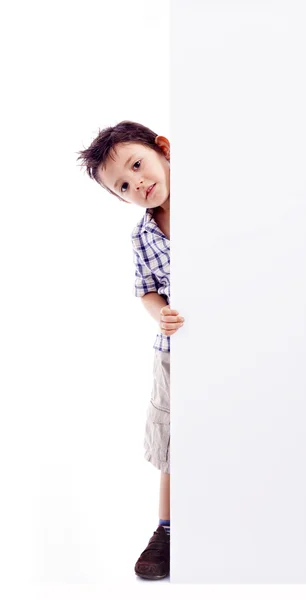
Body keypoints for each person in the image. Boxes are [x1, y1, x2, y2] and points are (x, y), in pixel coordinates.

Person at [77, 120, 183, 580]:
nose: (137, 183)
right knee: (172, 440)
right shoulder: (141, 237)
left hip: (234, 339)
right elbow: (146, 290)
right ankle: (167, 530)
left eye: (138, 165)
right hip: (175, 348)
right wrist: (161, 312)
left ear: (163, 150)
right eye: (123, 185)